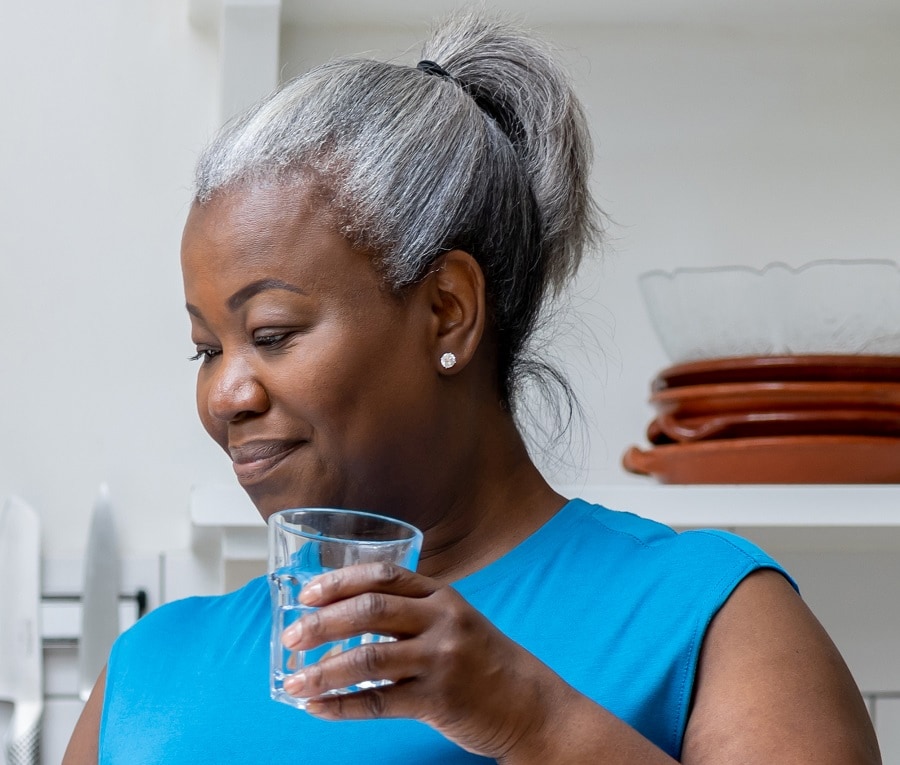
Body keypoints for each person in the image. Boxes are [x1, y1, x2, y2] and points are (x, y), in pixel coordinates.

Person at [65, 11, 880, 764]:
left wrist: (527, 713)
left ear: (448, 312)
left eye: (273, 333)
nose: (226, 395)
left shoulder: (709, 618)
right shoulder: (149, 671)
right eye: (206, 349)